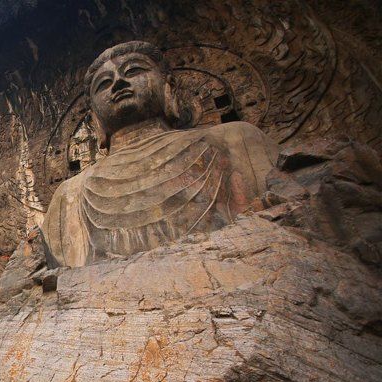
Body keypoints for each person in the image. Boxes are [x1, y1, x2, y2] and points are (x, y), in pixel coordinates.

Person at [42, 41, 280, 267]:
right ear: (94, 117)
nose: (119, 83)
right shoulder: (69, 194)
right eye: (104, 83)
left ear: (170, 88)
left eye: (133, 70)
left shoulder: (238, 139)